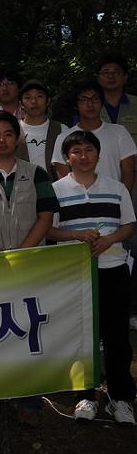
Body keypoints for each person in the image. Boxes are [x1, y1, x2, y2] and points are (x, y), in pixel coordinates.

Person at [46, 130, 137, 425]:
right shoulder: (56, 189)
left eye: (88, 150)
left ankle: (120, 398)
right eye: (76, 152)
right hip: (75, 274)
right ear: (66, 157)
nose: (83, 156)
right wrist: (77, 235)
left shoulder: (116, 187)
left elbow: (129, 225)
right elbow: (48, 230)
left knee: (117, 337)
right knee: (80, 335)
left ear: (98, 154)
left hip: (113, 269)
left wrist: (109, 240)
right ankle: (84, 395)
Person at [0, 110, 58, 253]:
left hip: (31, 258)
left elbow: (46, 218)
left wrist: (21, 253)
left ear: (17, 138)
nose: (2, 140)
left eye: (8, 134)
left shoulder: (38, 174)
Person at [51, 80, 137, 191]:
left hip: (113, 200)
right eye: (84, 99)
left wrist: (122, 201)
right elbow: (63, 179)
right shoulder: (64, 137)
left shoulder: (119, 132)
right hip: (78, 202)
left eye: (95, 99)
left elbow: (129, 173)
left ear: (102, 102)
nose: (90, 104)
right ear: (76, 105)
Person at [17, 79, 63, 172]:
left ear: (48, 101)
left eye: (39, 96)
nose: (34, 101)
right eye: (28, 97)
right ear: (21, 103)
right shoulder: (12, 130)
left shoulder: (61, 129)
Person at [94, 54, 137, 141]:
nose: (111, 76)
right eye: (106, 72)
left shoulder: (135, 104)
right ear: (98, 78)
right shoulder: (88, 105)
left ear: (125, 77)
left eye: (117, 72)